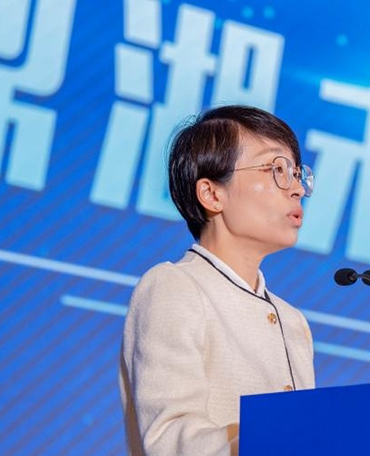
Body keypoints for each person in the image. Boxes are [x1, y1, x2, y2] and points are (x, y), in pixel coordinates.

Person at [119, 105, 316, 456]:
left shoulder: (293, 321)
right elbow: (167, 438)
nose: (297, 189)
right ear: (211, 194)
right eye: (276, 169)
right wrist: (270, 433)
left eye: (297, 173)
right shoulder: (173, 287)